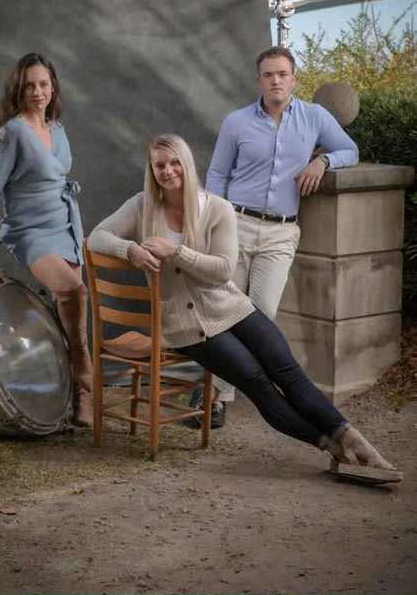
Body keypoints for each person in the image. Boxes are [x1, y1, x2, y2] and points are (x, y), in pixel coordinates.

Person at [88, 133, 400, 486]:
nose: (168, 171)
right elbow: (97, 237)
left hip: (233, 308)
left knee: (290, 374)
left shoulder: (217, 208)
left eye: (175, 163)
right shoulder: (141, 206)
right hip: (187, 327)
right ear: (152, 169)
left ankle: (358, 444)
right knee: (259, 386)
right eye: (160, 165)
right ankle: (333, 448)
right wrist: (130, 250)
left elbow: (223, 270)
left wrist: (177, 253)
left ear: (187, 165)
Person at [200, 45, 359, 427]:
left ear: (294, 79)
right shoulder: (236, 122)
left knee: (262, 312)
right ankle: (217, 398)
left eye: (282, 74)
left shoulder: (314, 117)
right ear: (259, 81)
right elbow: (217, 176)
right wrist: (213, 224)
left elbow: (350, 150)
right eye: (269, 75)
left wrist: (322, 160)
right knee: (224, 310)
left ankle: (223, 388)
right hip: (234, 225)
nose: (276, 81)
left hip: (281, 232)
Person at [0, 52, 92, 427]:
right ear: (19, 89)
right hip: (28, 232)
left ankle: (75, 399)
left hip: (65, 225)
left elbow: (59, 180)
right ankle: (83, 371)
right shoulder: (10, 133)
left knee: (69, 302)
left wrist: (73, 228)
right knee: (73, 293)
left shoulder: (58, 129)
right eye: (30, 85)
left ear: (53, 87)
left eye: (43, 84)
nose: (37, 91)